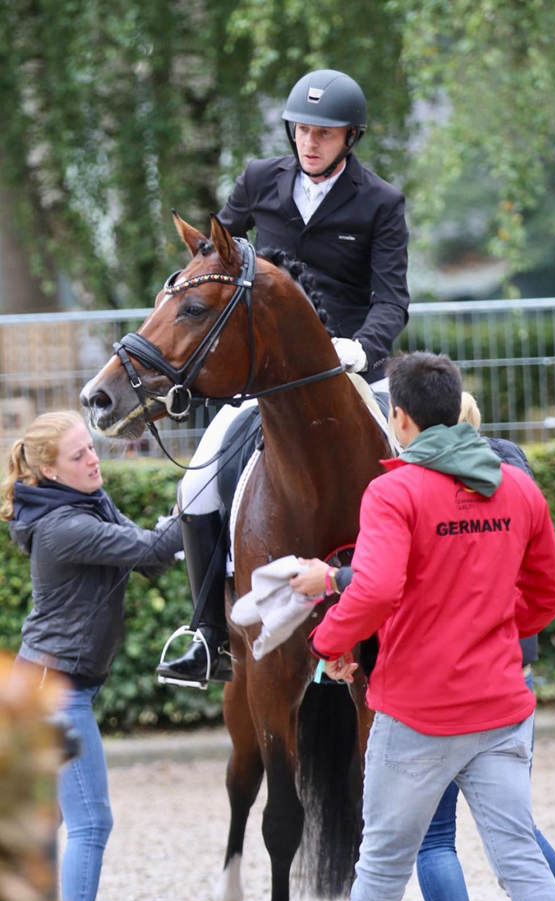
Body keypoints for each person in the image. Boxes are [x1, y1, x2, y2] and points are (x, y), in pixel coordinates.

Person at [272, 353, 555, 901]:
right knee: (521, 862)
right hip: (502, 706)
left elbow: (378, 587)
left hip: (418, 713)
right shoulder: (516, 488)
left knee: (383, 867)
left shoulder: (396, 494)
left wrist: (331, 640)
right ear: (456, 408)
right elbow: (554, 592)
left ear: (400, 418)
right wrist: (490, 628)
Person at [156, 67, 410, 688]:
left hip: (350, 365)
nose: (310, 142)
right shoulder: (258, 182)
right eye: (301, 130)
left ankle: (417, 617)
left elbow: (392, 300)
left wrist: (363, 347)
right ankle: (208, 636)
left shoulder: (380, 202)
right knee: (194, 489)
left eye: (324, 133)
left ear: (350, 137)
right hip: (271, 377)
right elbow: (214, 255)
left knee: (413, 466)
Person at [1, 410, 183, 901]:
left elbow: (147, 550)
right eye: (79, 455)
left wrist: (176, 524)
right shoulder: (62, 526)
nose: (94, 459)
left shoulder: (88, 502)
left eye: (91, 448)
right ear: (49, 470)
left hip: (54, 682)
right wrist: (206, 498)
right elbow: (156, 547)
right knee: (91, 821)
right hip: (53, 690)